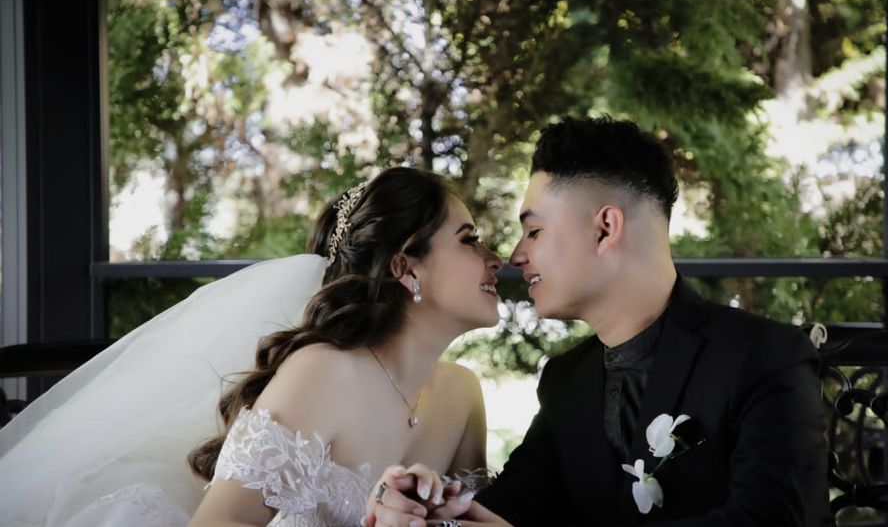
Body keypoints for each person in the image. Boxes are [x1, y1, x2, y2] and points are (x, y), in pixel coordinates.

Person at [367, 117, 833, 526]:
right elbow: (514, 510)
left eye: (534, 231)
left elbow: (772, 518)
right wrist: (432, 506)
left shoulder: (764, 356)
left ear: (605, 228)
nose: (516, 256)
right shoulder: (567, 380)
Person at [0, 167, 500, 527]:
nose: (495, 258)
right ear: (406, 267)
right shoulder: (323, 372)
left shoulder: (462, 396)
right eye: (469, 239)